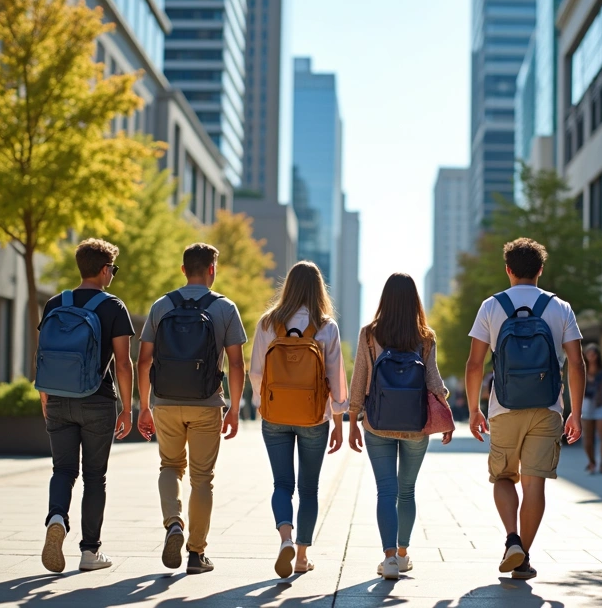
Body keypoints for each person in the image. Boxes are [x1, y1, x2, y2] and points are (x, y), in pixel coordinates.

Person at [465, 238, 585, 581]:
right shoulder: (560, 307)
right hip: (548, 408)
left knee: (503, 476)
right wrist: (574, 412)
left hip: (504, 408)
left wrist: (474, 409)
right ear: (541, 270)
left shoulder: (491, 306)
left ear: (508, 270)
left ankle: (512, 539)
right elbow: (575, 364)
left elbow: (475, 364)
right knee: (535, 486)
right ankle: (524, 556)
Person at [137, 243, 247, 574]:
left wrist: (144, 406)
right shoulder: (225, 308)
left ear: (183, 269)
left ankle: (174, 523)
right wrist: (234, 407)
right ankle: (196, 555)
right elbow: (237, 363)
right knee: (202, 479)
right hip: (206, 403)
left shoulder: (161, 305)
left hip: (166, 403)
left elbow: (143, 360)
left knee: (170, 466)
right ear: (212, 269)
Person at [348, 273, 454, 580]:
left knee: (386, 491)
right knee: (406, 491)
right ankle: (404, 554)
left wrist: (353, 421)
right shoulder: (425, 336)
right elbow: (433, 381)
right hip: (416, 425)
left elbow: (359, 380)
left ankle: (390, 559)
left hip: (377, 423)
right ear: (414, 301)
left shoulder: (369, 334)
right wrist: (445, 416)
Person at [39, 239, 135, 573]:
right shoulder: (113, 306)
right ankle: (90, 552)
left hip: (58, 398)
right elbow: (123, 363)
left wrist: (44, 397)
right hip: (97, 400)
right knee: (95, 477)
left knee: (62, 470)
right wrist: (128, 408)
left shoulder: (54, 303)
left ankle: (56, 518)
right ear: (105, 269)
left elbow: (44, 355)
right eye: (113, 269)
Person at [248, 261, 347, 578]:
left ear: (288, 286)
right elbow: (335, 376)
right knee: (309, 489)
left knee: (281, 484)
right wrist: (338, 420)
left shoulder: (267, 323)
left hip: (275, 414)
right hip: (313, 417)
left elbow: (256, 372)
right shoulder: (326, 326)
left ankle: (285, 539)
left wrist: (262, 405)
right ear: (319, 289)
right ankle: (302, 557)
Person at [581, 343, 602, 474]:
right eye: (589, 354)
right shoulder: (581, 369)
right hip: (586, 405)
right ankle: (591, 461)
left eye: (593, 354)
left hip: (601, 405)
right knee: (588, 438)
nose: (591, 356)